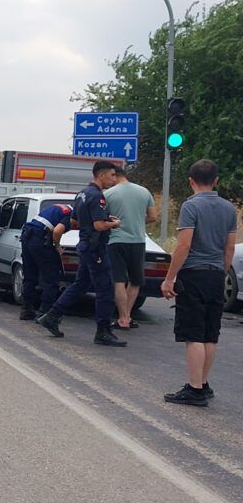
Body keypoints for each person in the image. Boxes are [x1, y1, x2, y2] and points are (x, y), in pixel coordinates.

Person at [161, 159, 237, 407]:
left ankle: (193, 389)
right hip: (216, 274)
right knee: (209, 334)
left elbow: (184, 245)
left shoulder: (190, 206)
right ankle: (203, 384)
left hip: (193, 274)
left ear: (191, 181)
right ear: (216, 180)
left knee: (192, 333)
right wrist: (221, 271)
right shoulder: (228, 209)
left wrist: (170, 277)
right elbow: (229, 247)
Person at [36, 160, 127, 347]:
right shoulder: (97, 196)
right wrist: (114, 224)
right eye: (111, 175)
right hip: (96, 248)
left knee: (80, 285)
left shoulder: (82, 194)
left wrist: (101, 220)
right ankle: (103, 331)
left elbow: (74, 222)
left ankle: (52, 316)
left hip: (86, 246)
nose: (114, 179)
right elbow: (99, 225)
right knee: (105, 289)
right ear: (101, 175)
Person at [105, 167, 158, 330]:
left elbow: (102, 219)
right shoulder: (144, 192)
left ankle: (122, 318)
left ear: (115, 177)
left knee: (119, 280)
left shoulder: (108, 195)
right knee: (135, 280)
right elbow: (153, 217)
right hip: (137, 241)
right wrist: (137, 222)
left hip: (115, 241)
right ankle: (127, 317)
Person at [17, 203, 73, 321]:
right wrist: (57, 246)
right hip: (39, 237)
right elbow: (57, 231)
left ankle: (26, 310)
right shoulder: (70, 215)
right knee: (51, 278)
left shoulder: (59, 207)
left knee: (30, 276)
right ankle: (44, 313)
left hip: (27, 234)